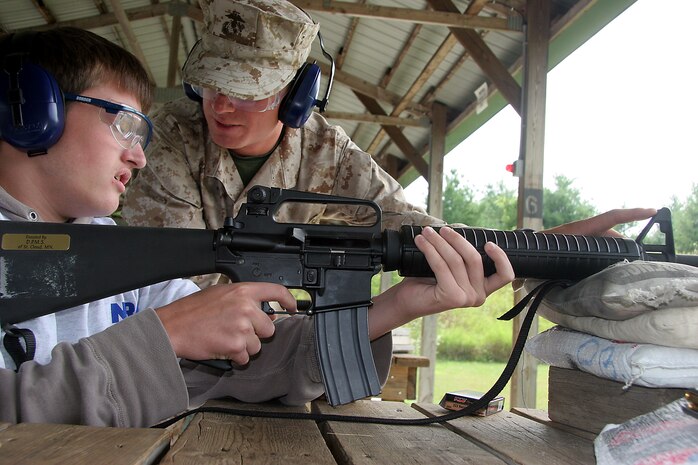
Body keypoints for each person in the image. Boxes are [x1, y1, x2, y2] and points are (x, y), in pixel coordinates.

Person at [0, 27, 516, 427]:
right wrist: (169, 334)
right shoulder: (151, 190)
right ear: (29, 110)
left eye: (143, 130)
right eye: (124, 124)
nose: (138, 155)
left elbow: (258, 358)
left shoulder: (111, 252)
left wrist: (401, 303)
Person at [121, 0, 657, 289]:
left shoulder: (327, 152)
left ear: (297, 95)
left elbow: (422, 233)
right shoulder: (166, 136)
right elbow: (178, 287)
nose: (221, 106)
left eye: (249, 93)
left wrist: (552, 246)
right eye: (212, 84)